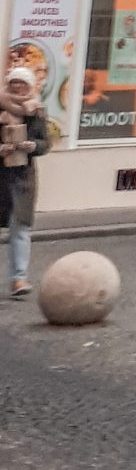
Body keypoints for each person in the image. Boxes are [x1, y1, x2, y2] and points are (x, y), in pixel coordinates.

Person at [1, 64, 50, 297]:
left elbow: (45, 143)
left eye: (22, 83)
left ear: (30, 86)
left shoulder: (36, 110)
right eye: (14, 82)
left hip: (22, 178)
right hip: (1, 175)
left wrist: (33, 146)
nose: (18, 86)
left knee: (20, 227)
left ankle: (19, 280)